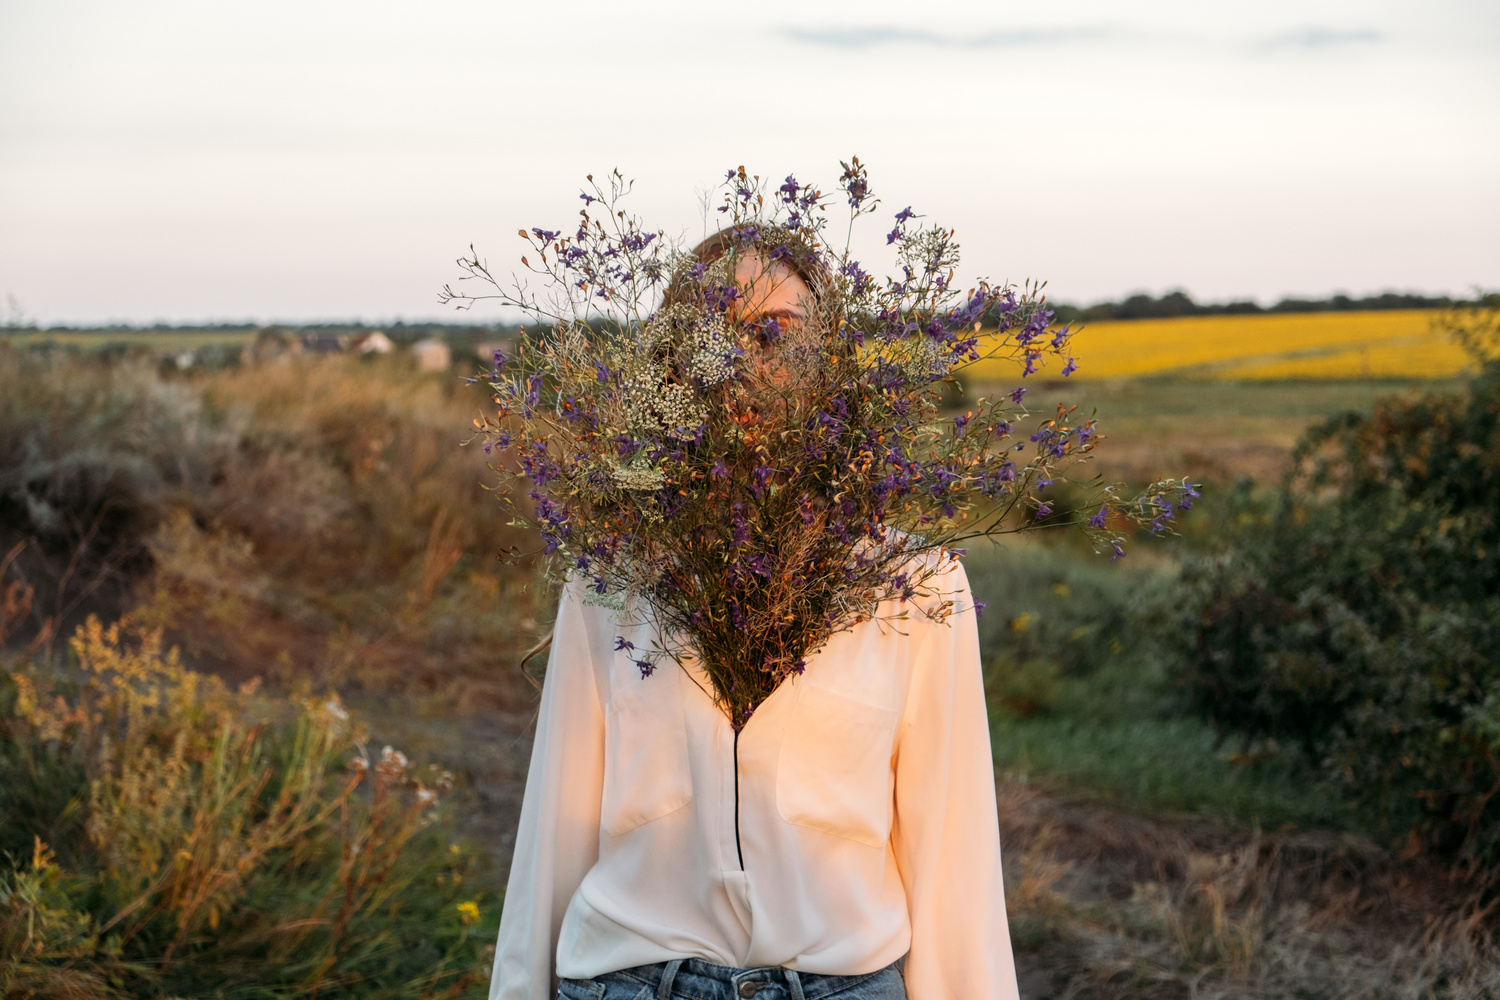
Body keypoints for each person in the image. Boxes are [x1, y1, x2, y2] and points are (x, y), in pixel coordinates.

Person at [489, 236, 1020, 1000]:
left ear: (829, 354)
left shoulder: (915, 584)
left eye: (782, 325)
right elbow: (554, 837)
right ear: (679, 361)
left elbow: (953, 862)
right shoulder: (613, 579)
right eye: (717, 327)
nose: (751, 352)